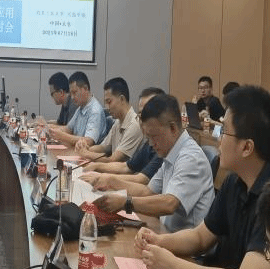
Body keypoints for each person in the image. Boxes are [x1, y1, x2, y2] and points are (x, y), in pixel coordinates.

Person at [134, 85, 270, 269]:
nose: (218, 139)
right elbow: (200, 238)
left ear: (247, 147)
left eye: (224, 131)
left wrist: (174, 266)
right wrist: (159, 241)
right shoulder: (235, 181)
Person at [92, 94, 214, 232]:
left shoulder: (190, 158)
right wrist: (111, 182)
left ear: (173, 128)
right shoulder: (171, 152)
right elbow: (147, 191)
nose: (151, 143)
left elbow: (169, 204)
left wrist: (126, 202)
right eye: (148, 137)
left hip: (184, 243)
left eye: (154, 136)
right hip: (167, 233)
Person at [81, 87, 164, 185]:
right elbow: (126, 167)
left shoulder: (163, 146)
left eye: (148, 114)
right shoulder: (150, 143)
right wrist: (96, 165)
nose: (142, 120)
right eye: (141, 114)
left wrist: (104, 177)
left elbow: (142, 180)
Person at [75, 77, 144, 163]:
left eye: (109, 102)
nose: (107, 107)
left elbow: (112, 160)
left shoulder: (134, 125)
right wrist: (84, 148)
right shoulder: (118, 122)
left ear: (122, 99)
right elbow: (103, 147)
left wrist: (86, 153)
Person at [47, 71, 106, 147]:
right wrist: (49, 130)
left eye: (74, 92)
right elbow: (68, 129)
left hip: (87, 153)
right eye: (71, 93)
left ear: (85, 88)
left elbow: (88, 141)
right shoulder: (81, 108)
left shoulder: (95, 111)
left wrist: (62, 136)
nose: (72, 97)